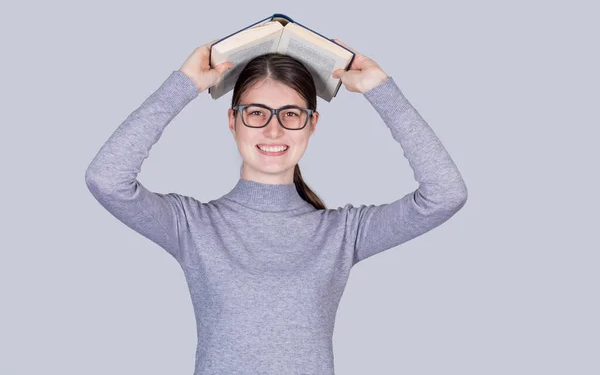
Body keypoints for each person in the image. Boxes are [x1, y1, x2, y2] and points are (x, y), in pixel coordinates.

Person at [85, 38, 468, 374]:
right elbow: (107, 179)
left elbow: (445, 193)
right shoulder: (193, 225)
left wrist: (380, 89)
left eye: (291, 114)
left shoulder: (341, 233)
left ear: (312, 124)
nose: (273, 130)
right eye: (256, 113)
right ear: (232, 121)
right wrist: (182, 86)